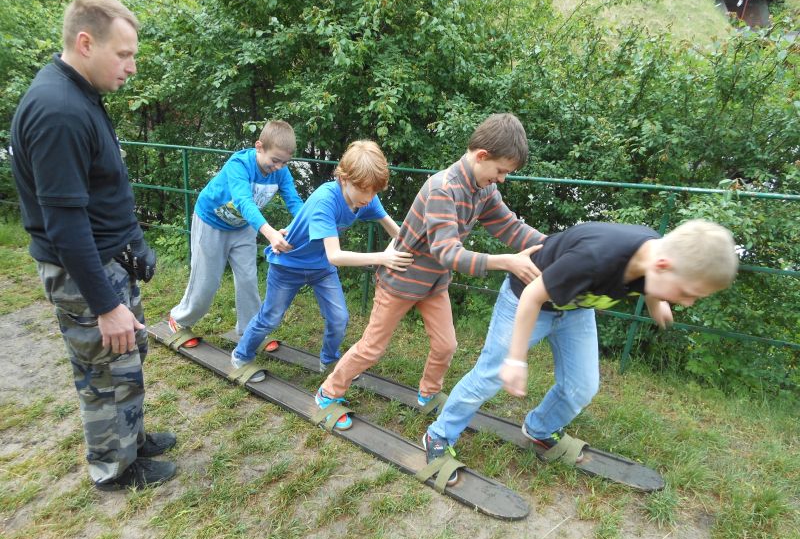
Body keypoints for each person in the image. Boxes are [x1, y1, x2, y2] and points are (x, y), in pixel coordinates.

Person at [9, 0, 177, 490]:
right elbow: (64, 225)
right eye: (123, 54)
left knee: (126, 360)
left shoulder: (79, 94)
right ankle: (114, 469)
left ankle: (132, 438)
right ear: (86, 43)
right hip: (86, 272)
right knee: (104, 371)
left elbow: (98, 192)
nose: (132, 66)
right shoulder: (58, 111)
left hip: (109, 261)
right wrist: (105, 305)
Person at [425, 220, 738, 483]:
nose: (687, 302)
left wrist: (657, 302)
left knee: (582, 386)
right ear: (663, 266)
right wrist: (516, 359)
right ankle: (439, 434)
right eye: (686, 293)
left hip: (575, 310)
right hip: (528, 300)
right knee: (491, 375)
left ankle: (540, 428)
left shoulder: (657, 255)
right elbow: (533, 295)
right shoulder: (597, 257)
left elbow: (651, 281)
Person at [316, 113, 547, 438]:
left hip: (434, 284)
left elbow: (509, 226)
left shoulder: (483, 190)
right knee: (372, 348)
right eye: (501, 171)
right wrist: (506, 262)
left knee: (446, 345)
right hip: (401, 282)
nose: (503, 179)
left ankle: (429, 392)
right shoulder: (443, 189)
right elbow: (447, 252)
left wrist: (556, 246)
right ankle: (328, 392)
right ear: (482, 156)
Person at [231, 140, 413, 385]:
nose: (370, 198)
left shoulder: (367, 197)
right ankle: (241, 356)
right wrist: (383, 257)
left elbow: (396, 232)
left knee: (339, 318)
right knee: (271, 318)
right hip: (289, 265)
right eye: (365, 190)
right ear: (344, 179)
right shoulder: (325, 200)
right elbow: (335, 256)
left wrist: (417, 250)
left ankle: (329, 361)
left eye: (374, 192)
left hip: (321, 269)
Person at [168, 120, 303, 347]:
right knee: (207, 281)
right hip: (211, 222)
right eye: (275, 160)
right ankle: (180, 319)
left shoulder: (281, 172)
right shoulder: (239, 164)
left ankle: (252, 330)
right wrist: (270, 233)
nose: (279, 167)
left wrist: (308, 225)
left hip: (243, 227)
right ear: (259, 147)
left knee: (248, 279)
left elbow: (294, 201)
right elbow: (243, 202)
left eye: (285, 162)